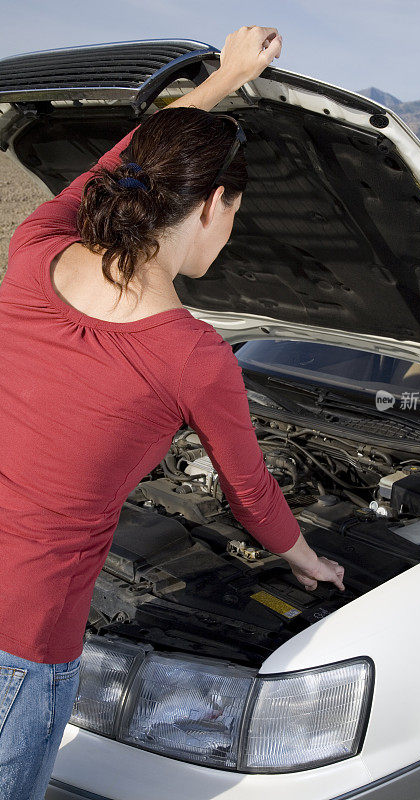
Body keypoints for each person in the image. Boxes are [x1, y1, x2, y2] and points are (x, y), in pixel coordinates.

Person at [0, 25, 345, 799]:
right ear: (216, 205)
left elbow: (118, 162)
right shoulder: (191, 356)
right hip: (21, 640)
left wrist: (223, 80)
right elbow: (251, 494)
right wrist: (307, 562)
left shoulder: (33, 247)